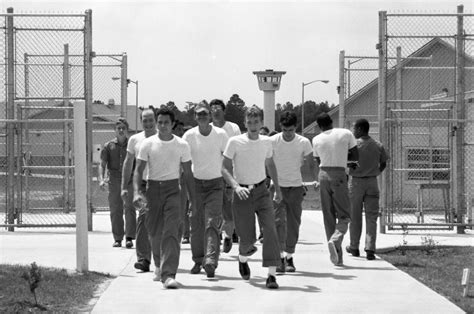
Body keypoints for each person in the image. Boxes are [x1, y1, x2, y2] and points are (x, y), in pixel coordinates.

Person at [134, 107, 195, 289]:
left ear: (173, 124)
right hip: (152, 189)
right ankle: (159, 265)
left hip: (172, 190)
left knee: (171, 231)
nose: (162, 126)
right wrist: (137, 192)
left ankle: (169, 274)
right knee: (153, 232)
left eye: (166, 123)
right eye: (159, 122)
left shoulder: (182, 145)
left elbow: (188, 174)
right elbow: (138, 171)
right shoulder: (147, 144)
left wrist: (193, 199)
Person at [222, 105, 282, 289]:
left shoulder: (266, 142)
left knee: (271, 230)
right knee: (247, 239)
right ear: (245, 123)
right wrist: (235, 186)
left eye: (256, 122)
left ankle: (271, 275)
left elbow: (270, 165)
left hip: (262, 191)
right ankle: (242, 258)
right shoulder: (234, 142)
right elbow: (224, 167)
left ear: (261, 122)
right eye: (249, 122)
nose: (253, 125)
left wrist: (278, 189)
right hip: (242, 193)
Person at [183, 101, 229, 278]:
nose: (202, 116)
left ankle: (210, 260)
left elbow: (227, 158)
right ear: (195, 117)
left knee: (212, 222)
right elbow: (185, 163)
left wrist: (230, 182)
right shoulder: (189, 136)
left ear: (210, 116)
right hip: (195, 184)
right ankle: (197, 260)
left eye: (205, 113)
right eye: (198, 114)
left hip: (215, 184)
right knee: (196, 224)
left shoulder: (220, 134)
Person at [270, 111, 316, 273]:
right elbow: (265, 162)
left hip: (296, 187)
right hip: (277, 187)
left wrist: (315, 179)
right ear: (280, 127)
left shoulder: (303, 142)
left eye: (290, 130)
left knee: (293, 224)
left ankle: (290, 256)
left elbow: (311, 163)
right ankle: (280, 257)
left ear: (295, 127)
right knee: (277, 222)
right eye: (284, 130)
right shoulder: (272, 141)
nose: (288, 133)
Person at [312, 113, 358, 266]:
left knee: (328, 215)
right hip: (339, 174)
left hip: (323, 174)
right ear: (332, 122)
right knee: (344, 215)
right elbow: (355, 156)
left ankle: (337, 257)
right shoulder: (345, 133)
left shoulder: (316, 139)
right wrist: (347, 162)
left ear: (319, 126)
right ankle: (336, 239)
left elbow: (317, 160)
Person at [121, 107, 157, 272]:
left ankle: (160, 256)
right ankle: (143, 259)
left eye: (151, 120)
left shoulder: (164, 138)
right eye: (145, 120)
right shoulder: (135, 140)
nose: (148, 123)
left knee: (160, 222)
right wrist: (124, 187)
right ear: (141, 121)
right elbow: (128, 163)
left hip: (161, 184)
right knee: (142, 218)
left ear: (155, 120)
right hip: (143, 185)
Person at [346, 119, 388, 261]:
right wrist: (375, 172)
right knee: (371, 217)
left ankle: (354, 246)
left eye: (354, 128)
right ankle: (370, 248)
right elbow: (383, 163)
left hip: (356, 182)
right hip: (372, 182)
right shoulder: (378, 145)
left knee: (355, 216)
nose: (353, 131)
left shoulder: (354, 146)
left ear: (360, 129)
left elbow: (348, 163)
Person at [99, 118, 136, 248]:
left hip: (129, 180)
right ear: (115, 130)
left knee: (129, 208)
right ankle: (118, 238)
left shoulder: (132, 145)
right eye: (118, 128)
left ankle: (130, 237)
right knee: (115, 209)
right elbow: (102, 164)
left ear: (127, 130)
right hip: (114, 180)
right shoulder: (108, 146)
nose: (121, 130)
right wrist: (101, 179)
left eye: (123, 128)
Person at [210, 99, 241, 252]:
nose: (215, 111)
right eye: (212, 109)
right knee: (213, 210)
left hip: (229, 174)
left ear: (224, 111)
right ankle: (214, 240)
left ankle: (227, 235)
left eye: (218, 108)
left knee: (229, 210)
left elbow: (239, 150)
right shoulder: (207, 129)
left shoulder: (233, 128)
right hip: (211, 175)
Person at [173, 121, 191, 245]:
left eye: (182, 129)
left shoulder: (185, 145)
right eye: (178, 129)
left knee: (185, 208)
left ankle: (186, 234)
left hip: (185, 178)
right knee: (176, 209)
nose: (181, 132)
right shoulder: (170, 144)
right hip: (173, 178)